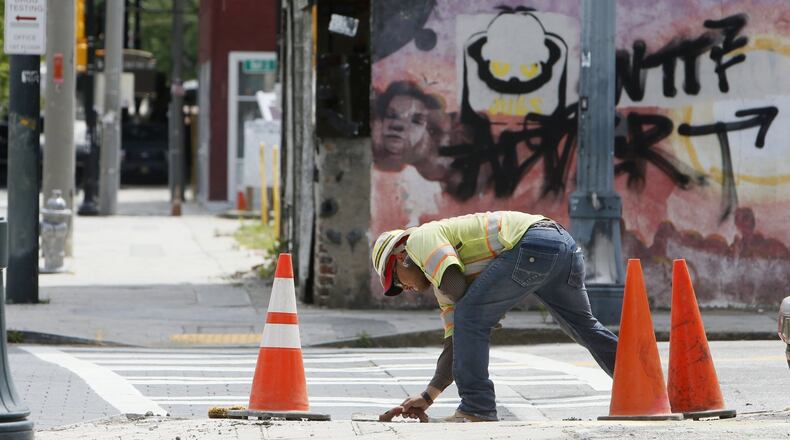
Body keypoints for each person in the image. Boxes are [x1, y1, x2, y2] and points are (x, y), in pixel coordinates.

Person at [371, 211, 618, 422]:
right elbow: (456, 342)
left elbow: (458, 292)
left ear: (401, 257)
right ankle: (641, 381)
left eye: (396, 282)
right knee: (584, 327)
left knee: (468, 314)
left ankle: (476, 408)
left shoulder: (420, 240)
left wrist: (482, 312)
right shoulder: (441, 281)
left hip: (532, 243)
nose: (404, 290)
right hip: (561, 244)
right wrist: (427, 397)